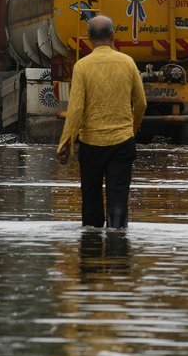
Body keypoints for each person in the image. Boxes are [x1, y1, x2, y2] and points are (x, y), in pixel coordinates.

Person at [56, 15, 147, 229]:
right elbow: (141, 103)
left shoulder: (82, 66)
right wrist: (132, 129)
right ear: (113, 36)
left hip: (91, 144)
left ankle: (91, 244)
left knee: (91, 202)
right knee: (118, 199)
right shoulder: (128, 63)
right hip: (122, 142)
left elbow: (76, 109)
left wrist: (66, 143)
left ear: (89, 38)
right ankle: (118, 240)